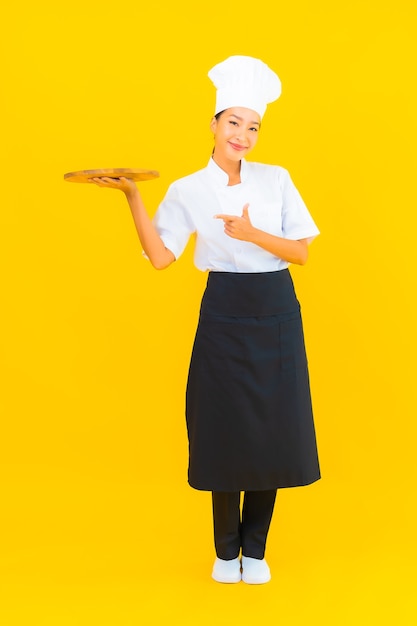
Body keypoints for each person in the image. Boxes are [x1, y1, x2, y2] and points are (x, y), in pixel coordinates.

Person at [90, 55, 320, 585]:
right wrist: (133, 196)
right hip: (223, 312)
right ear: (214, 123)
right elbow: (161, 256)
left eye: (254, 126)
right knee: (223, 428)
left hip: (277, 307)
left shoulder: (277, 179)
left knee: (273, 431)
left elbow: (302, 253)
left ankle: (256, 552)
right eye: (234, 122)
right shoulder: (188, 189)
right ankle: (225, 551)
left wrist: (252, 235)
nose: (243, 135)